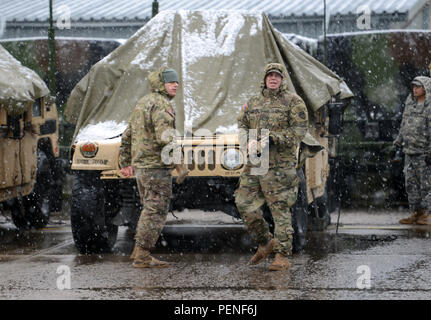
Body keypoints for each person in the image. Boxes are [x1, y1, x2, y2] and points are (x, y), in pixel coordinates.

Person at [235, 63, 309, 271]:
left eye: (277, 76)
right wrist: (246, 141)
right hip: (255, 164)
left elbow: (299, 131)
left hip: (280, 166)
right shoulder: (254, 101)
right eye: (270, 76)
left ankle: (283, 255)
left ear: (283, 79)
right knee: (244, 204)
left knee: (280, 209)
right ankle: (266, 242)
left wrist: (271, 139)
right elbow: (242, 123)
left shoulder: (294, 102)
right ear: (265, 78)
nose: (273, 79)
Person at [119, 66, 188, 268]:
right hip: (156, 167)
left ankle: (137, 251)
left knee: (147, 209)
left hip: (142, 168)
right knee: (155, 211)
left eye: (177, 82)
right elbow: (166, 137)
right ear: (160, 84)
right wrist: (180, 165)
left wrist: (125, 162)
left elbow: (127, 135)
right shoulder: (161, 105)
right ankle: (142, 255)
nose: (175, 85)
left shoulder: (142, 103)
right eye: (170, 81)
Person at [394, 76, 431, 225]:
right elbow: (405, 124)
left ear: (426, 88)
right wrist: (398, 142)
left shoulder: (429, 106)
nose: (415, 89)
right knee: (411, 185)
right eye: (413, 86)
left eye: (418, 86)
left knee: (427, 185)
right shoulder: (410, 103)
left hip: (424, 153)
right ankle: (417, 213)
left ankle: (428, 213)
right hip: (409, 151)